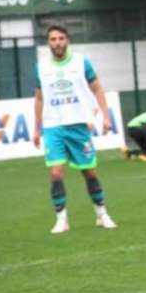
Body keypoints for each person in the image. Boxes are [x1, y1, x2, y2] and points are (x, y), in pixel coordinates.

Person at [32, 24, 117, 234]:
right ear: (48, 43)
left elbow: (97, 88)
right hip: (54, 126)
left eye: (61, 38)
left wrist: (105, 116)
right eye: (53, 39)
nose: (57, 42)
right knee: (56, 173)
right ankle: (61, 220)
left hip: (79, 124)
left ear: (67, 40)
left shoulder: (81, 62)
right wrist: (36, 128)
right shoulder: (40, 67)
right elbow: (39, 98)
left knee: (89, 172)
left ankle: (101, 214)